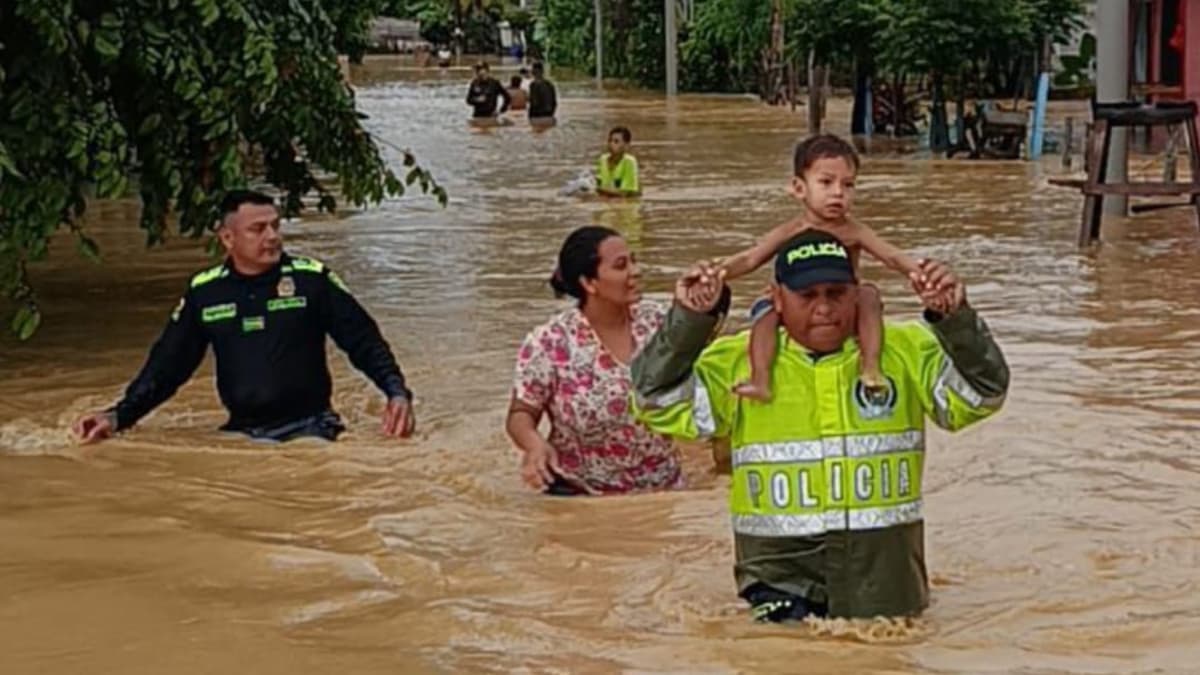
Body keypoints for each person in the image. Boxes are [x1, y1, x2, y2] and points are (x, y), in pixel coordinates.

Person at [631, 229, 1009, 621]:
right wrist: (688, 320)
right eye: (807, 296)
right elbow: (654, 401)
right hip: (778, 578)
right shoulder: (739, 361)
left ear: (857, 292)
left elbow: (982, 396)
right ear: (776, 299)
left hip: (885, 583)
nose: (824, 308)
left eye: (836, 293)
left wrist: (956, 318)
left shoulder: (908, 350)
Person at [72, 190, 416, 445]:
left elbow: (364, 342)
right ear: (227, 238)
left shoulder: (312, 279)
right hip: (238, 432)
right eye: (258, 229)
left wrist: (396, 393)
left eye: (275, 226)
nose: (272, 236)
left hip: (311, 429)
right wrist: (118, 417)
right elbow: (166, 368)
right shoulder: (205, 292)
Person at [714, 133, 924, 403]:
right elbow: (750, 259)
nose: (838, 193)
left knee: (869, 294)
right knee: (765, 308)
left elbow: (892, 256)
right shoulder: (791, 231)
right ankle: (761, 379)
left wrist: (921, 273)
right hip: (796, 308)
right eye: (826, 182)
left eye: (848, 185)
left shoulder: (854, 231)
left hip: (845, 305)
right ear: (799, 188)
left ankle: (871, 366)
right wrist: (717, 272)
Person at [506, 226, 682, 496]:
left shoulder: (659, 323)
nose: (635, 271)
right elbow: (521, 414)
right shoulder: (551, 343)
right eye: (621, 265)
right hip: (580, 494)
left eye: (634, 261)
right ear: (590, 283)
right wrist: (535, 446)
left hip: (664, 489)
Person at [595, 126, 641, 198]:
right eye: (610, 140)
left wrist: (598, 189)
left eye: (616, 141)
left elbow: (625, 193)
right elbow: (599, 182)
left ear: (626, 145)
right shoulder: (603, 159)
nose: (611, 144)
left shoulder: (629, 162)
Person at [528, 61, 558, 126]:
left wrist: (530, 117)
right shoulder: (550, 84)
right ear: (543, 71)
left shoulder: (533, 85)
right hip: (550, 117)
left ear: (533, 72)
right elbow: (554, 103)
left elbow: (534, 102)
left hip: (536, 118)